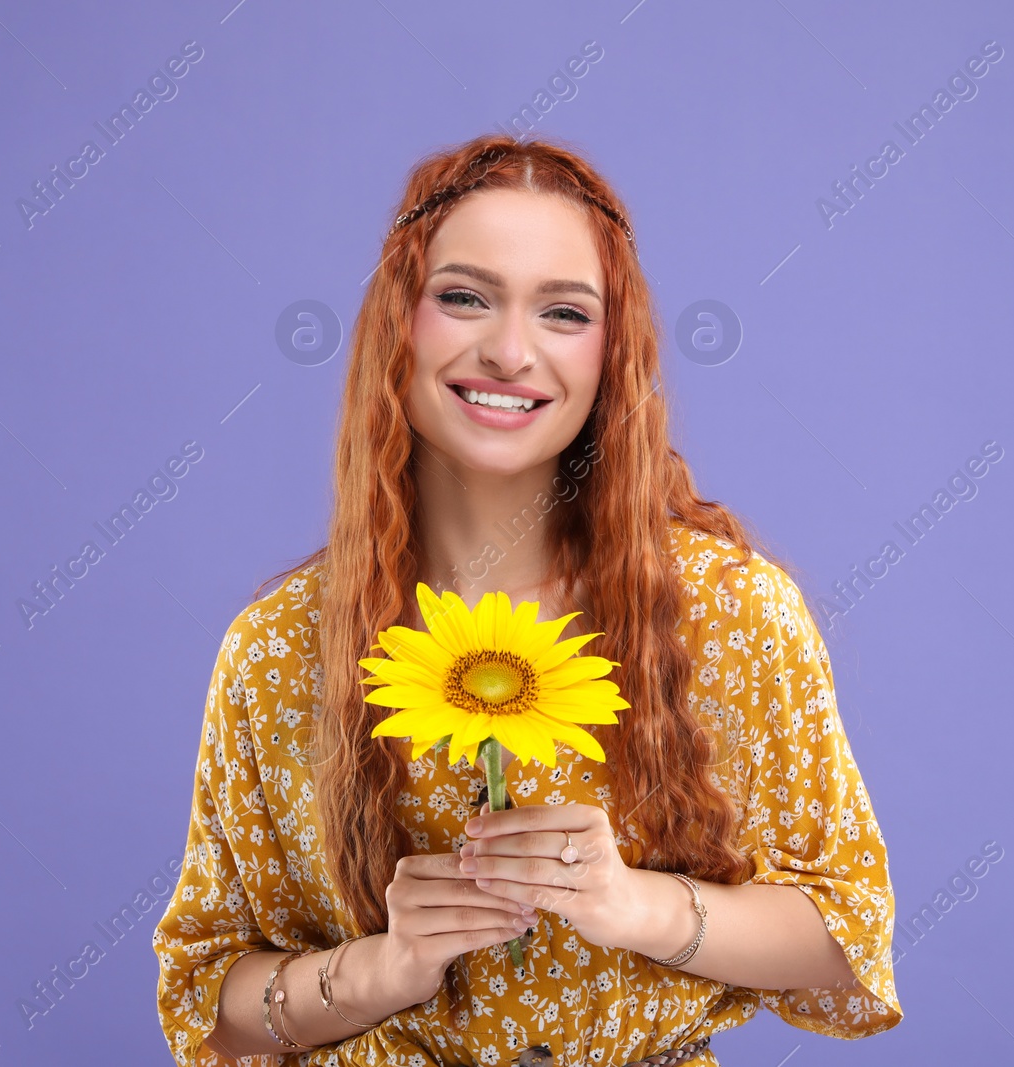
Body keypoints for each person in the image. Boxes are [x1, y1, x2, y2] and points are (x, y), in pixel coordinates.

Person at [152, 133, 902, 1067]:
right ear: (399, 322)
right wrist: (387, 966)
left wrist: (639, 906)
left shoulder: (733, 616)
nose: (510, 352)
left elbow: (847, 937)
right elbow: (209, 1005)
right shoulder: (276, 650)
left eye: (563, 312)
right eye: (464, 297)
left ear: (612, 352)